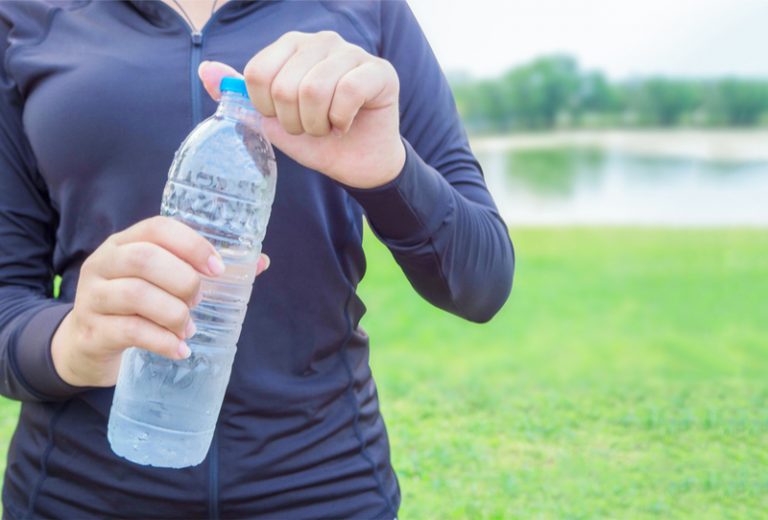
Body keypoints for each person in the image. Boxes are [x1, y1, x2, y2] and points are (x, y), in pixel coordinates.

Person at [0, 0, 514, 518]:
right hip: (79, 493)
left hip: (323, 486)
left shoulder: (367, 10)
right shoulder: (24, 15)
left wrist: (391, 172)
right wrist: (69, 344)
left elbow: (481, 281)